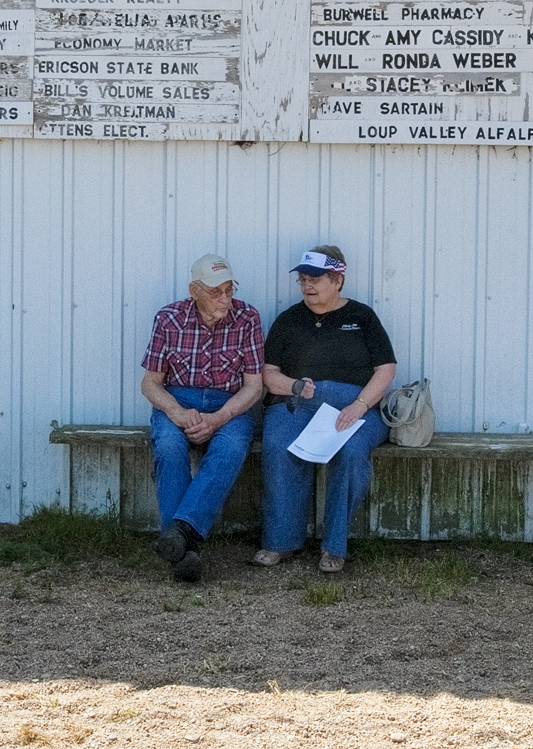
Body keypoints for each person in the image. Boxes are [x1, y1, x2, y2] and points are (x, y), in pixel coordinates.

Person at [252, 246, 396, 574]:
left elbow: (386, 368)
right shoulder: (288, 320)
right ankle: (279, 541)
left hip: (354, 404)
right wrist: (293, 386)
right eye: (303, 279)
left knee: (351, 452)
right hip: (298, 403)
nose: (307, 286)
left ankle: (334, 545)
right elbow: (268, 372)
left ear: (337, 280)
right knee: (277, 445)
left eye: (315, 278)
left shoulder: (362, 317)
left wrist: (360, 405)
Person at [140, 253, 264, 582]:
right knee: (168, 445)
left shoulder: (248, 317)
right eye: (215, 292)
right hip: (179, 398)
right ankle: (186, 548)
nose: (225, 299)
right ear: (194, 290)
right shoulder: (169, 318)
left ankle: (178, 537)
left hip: (230, 402)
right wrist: (176, 412)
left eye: (229, 290)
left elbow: (254, 387)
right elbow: (150, 383)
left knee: (231, 446)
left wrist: (220, 417)